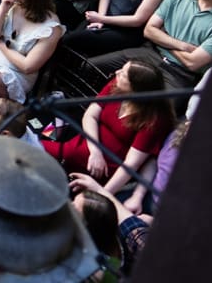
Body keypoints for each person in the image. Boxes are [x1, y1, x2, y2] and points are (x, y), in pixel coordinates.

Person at [43, 60, 175, 193]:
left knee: (38, 149)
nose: (117, 72)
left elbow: (131, 163)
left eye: (123, 74)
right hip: (88, 143)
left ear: (135, 88)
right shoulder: (116, 86)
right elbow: (90, 115)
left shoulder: (153, 119)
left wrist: (104, 194)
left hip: (108, 167)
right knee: (42, 134)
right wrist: (95, 151)